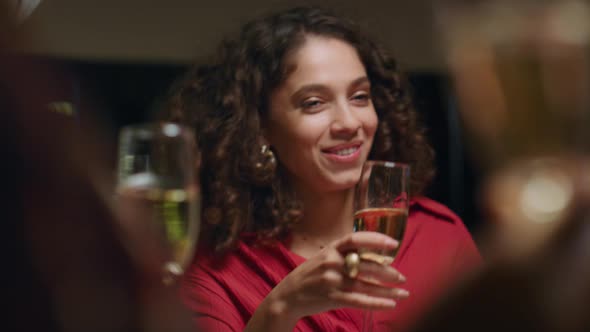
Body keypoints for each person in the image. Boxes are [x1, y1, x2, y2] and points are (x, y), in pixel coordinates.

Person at [167, 6, 481, 331]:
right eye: (314, 103)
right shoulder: (215, 274)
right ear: (260, 127)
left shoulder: (439, 235)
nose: (348, 123)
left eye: (360, 97)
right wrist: (281, 308)